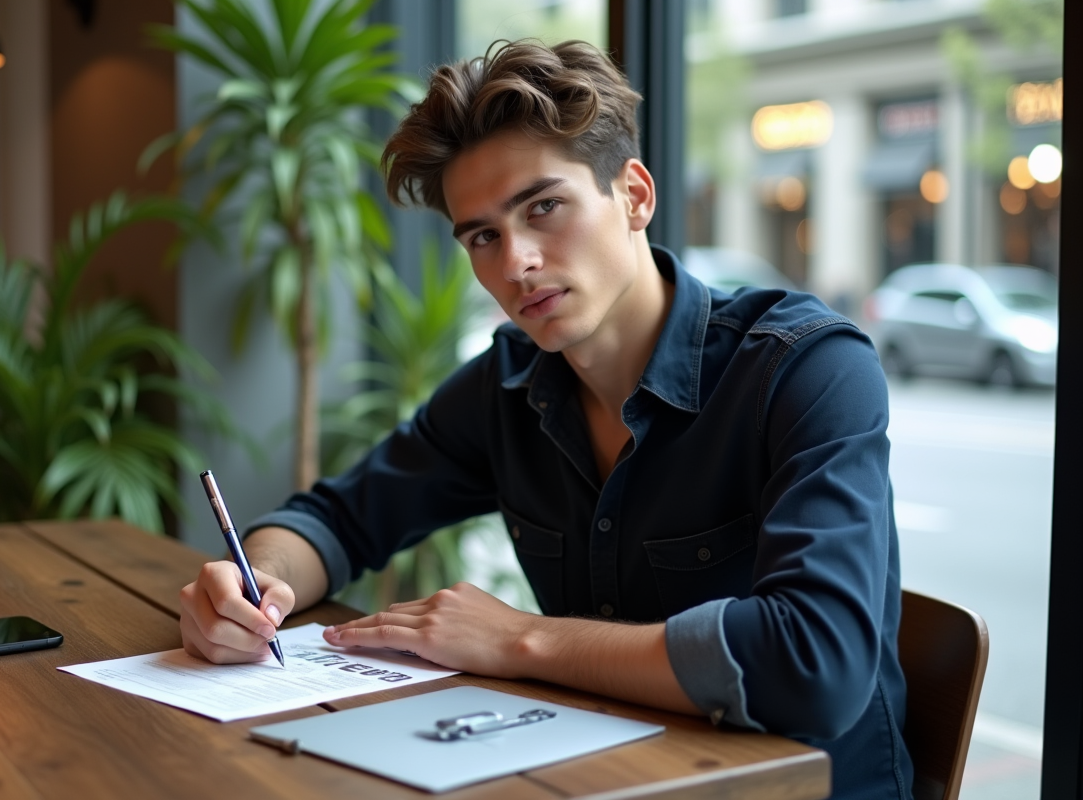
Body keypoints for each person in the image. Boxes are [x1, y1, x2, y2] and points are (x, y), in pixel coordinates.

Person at [179, 39, 914, 800]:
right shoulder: (508, 385)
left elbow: (815, 663)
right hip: (602, 781)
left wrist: (519, 640)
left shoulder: (807, 369)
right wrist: (252, 583)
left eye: (544, 207)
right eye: (483, 236)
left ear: (634, 195)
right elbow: (336, 519)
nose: (515, 263)